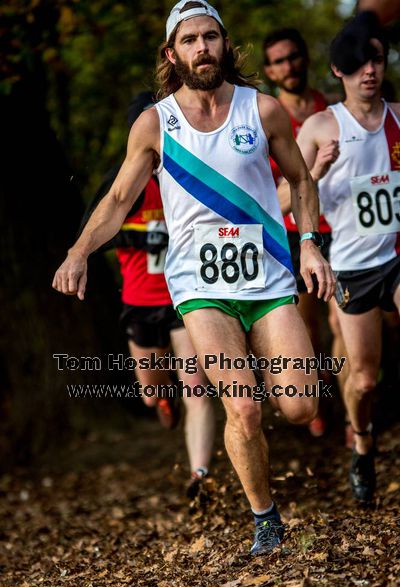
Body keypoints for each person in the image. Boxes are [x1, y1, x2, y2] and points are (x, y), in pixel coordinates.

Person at [52, 0, 335, 555]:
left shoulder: (264, 110)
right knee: (243, 407)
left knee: (301, 406)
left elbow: (301, 181)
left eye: (210, 36)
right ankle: (265, 518)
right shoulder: (157, 122)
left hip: (269, 278)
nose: (202, 47)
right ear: (171, 52)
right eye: (189, 39)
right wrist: (78, 250)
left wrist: (309, 246)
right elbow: (116, 199)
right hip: (199, 288)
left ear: (225, 45)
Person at [81, 92, 216, 497]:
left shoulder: (191, 175)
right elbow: (95, 227)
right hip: (140, 304)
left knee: (198, 390)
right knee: (150, 391)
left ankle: (200, 476)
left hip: (184, 298)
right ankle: (162, 402)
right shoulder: (121, 184)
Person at [291, 20, 400, 503]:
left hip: (397, 255)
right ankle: (362, 440)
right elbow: (282, 196)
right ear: (339, 71)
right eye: (357, 66)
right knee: (363, 378)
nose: (369, 73)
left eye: (376, 62)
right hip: (353, 267)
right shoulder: (321, 126)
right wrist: (316, 169)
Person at [263, 28, 346, 438]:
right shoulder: (265, 120)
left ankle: (354, 401)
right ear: (268, 69)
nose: (288, 66)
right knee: (308, 324)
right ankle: (317, 396)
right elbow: (271, 198)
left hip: (344, 228)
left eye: (293, 56)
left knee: (346, 317)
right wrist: (314, 172)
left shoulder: (331, 107)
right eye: (278, 60)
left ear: (304, 58)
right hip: (294, 235)